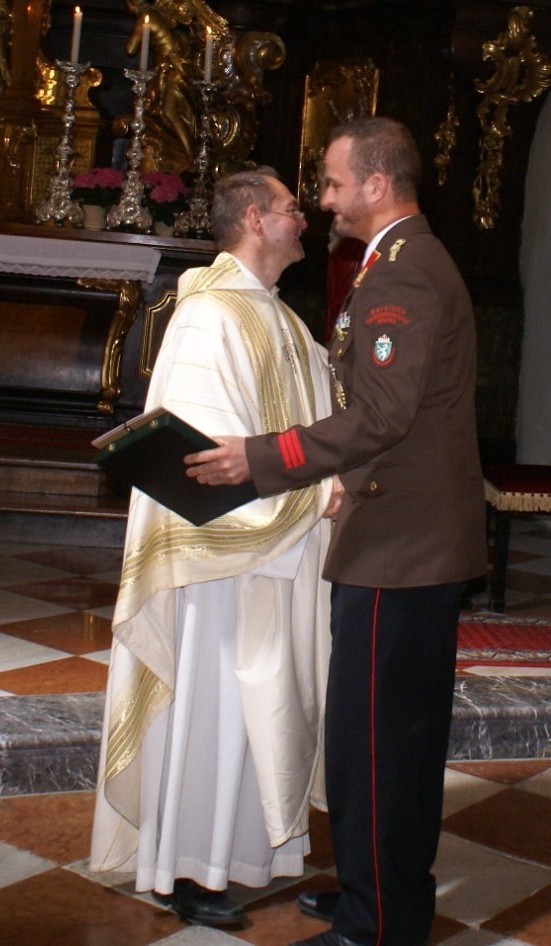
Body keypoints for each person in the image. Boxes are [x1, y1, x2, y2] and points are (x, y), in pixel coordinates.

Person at [185, 118, 487, 946]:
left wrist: (258, 458)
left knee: (377, 748)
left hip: (400, 548)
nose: (323, 199)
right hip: (404, 537)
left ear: (377, 185)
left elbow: (379, 416)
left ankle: (375, 924)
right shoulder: (400, 262)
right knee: (388, 742)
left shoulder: (405, 273)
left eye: (332, 182)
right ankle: (381, 894)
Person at [90, 167, 340, 928]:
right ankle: (186, 868)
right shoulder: (208, 315)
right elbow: (201, 465)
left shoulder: (284, 319)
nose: (305, 219)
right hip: (218, 567)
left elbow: (319, 431)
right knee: (215, 711)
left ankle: (247, 857)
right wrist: (316, 496)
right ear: (257, 219)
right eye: (292, 208)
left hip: (282, 554)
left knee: (261, 709)